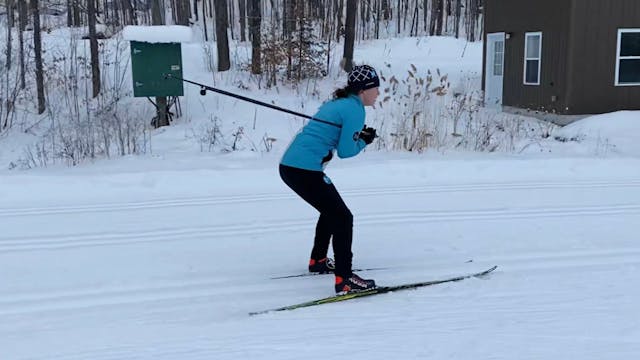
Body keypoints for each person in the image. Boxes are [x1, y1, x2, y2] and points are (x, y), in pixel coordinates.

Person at [279, 64, 380, 294]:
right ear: (363, 90)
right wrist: (365, 141)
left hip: (293, 166)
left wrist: (358, 137)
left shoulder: (341, 103)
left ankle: (318, 261)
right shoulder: (355, 110)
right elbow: (346, 151)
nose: (378, 93)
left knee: (331, 211)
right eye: (376, 88)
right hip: (302, 169)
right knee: (343, 217)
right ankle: (344, 279)